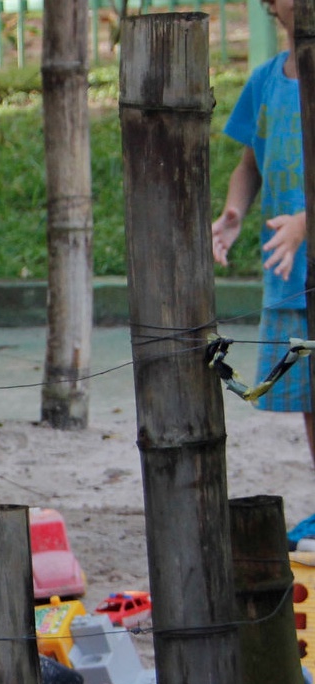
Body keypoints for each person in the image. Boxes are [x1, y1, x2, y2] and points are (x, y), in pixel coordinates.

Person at [213, 0, 315, 467]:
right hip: (291, 272)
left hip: (300, 246)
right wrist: (234, 212)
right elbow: (250, 164)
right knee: (310, 398)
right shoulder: (267, 82)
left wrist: (305, 222)